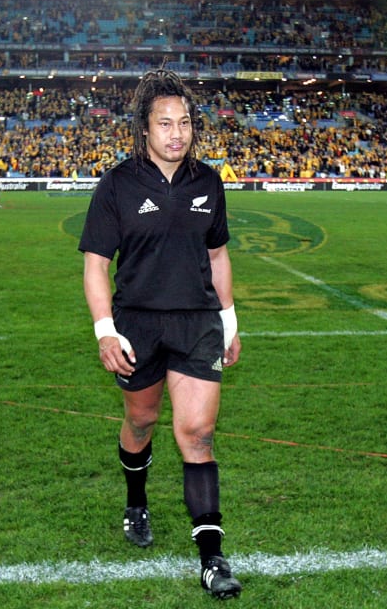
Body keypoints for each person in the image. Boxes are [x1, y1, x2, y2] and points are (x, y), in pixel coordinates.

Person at [78, 68, 243, 600]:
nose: (176, 132)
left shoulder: (209, 183)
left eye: (185, 122)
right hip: (138, 326)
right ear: (144, 130)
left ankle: (212, 559)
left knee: (196, 434)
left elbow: (218, 256)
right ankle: (135, 499)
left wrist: (229, 320)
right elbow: (97, 264)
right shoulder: (118, 184)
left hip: (196, 322)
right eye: (164, 123)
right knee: (141, 419)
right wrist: (106, 331)